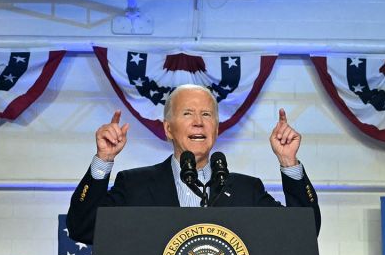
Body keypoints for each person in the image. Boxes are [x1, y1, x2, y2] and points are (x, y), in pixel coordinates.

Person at [66, 84, 320, 244]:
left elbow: (301, 233)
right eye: (187, 114)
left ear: (217, 129)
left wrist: (289, 162)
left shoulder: (247, 190)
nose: (198, 122)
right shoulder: (135, 185)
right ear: (168, 128)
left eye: (206, 115)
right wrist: (104, 160)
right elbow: (83, 228)